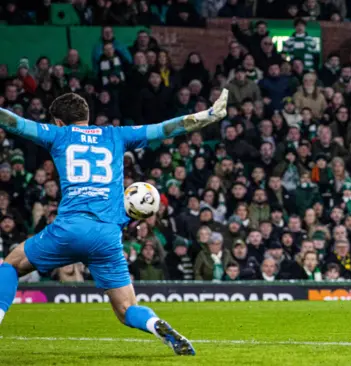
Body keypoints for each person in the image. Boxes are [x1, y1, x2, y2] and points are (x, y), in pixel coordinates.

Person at [0, 89, 229, 355]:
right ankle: (156, 325)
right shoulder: (115, 135)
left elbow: (13, 122)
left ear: (59, 122)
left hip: (70, 228)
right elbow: (164, 129)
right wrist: (208, 115)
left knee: (12, 265)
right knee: (127, 309)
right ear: (87, 117)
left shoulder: (58, 135)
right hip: (107, 236)